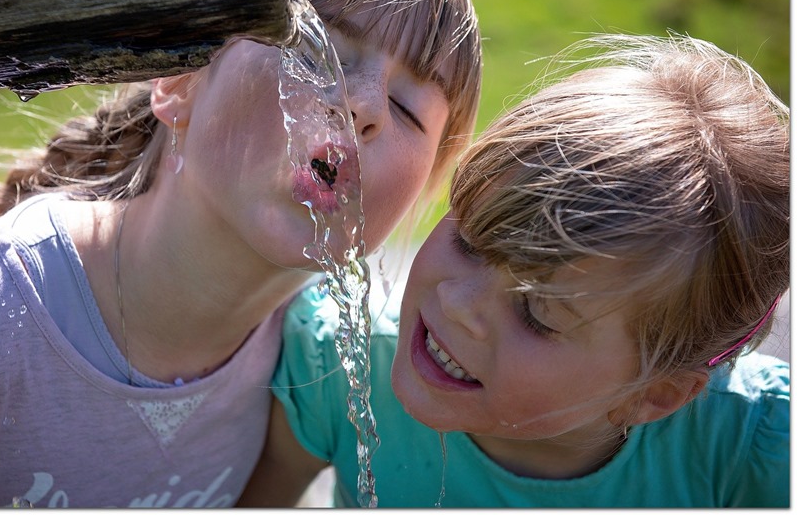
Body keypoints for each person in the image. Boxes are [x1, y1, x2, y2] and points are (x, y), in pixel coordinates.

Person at [0, 0, 482, 507]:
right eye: (319, 55)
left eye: (407, 109)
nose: (363, 107)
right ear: (178, 83)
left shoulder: (316, 368)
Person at [239, 33, 790, 508]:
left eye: (536, 313)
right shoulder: (340, 365)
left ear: (655, 396)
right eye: (470, 240)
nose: (457, 302)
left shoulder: (751, 450)